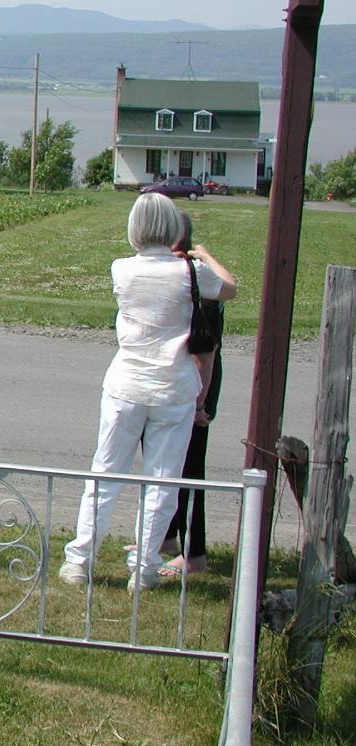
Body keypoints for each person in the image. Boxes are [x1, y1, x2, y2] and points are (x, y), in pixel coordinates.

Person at [60, 193, 235, 591]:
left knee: (105, 472)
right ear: (174, 227)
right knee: (162, 481)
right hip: (174, 389)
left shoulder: (121, 269)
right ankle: (144, 568)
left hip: (125, 384)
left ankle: (79, 559)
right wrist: (203, 256)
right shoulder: (191, 273)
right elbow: (228, 289)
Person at [159, 211, 224, 576]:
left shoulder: (197, 281)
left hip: (201, 381)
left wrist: (199, 406)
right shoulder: (189, 276)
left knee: (191, 467)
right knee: (172, 462)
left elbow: (206, 354)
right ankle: (168, 537)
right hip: (187, 380)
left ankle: (195, 554)